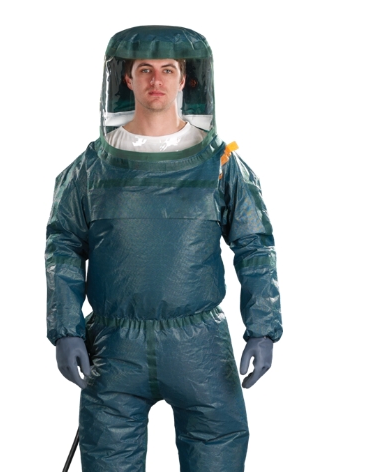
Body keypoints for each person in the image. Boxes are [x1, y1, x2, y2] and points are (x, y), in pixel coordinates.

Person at [46, 25, 282, 472]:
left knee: (217, 452)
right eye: (145, 69)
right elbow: (63, 245)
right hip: (114, 346)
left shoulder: (220, 164)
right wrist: (66, 330)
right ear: (127, 78)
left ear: (185, 78)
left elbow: (254, 245)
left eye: (168, 69)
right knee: (108, 460)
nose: (157, 80)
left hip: (199, 345)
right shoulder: (92, 167)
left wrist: (263, 329)